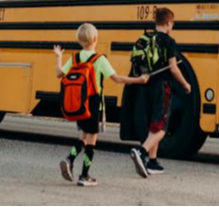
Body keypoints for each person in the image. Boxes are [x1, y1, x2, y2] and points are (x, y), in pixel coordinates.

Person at [54, 23, 149, 187]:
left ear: (79, 40)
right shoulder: (99, 59)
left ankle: (69, 159)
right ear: (96, 39)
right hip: (94, 104)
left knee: (84, 136)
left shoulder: (75, 58)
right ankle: (84, 175)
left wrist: (58, 56)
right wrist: (139, 80)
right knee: (91, 140)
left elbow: (58, 74)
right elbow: (117, 79)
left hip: (79, 103)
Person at [130, 8, 192, 178]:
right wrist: (186, 84)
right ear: (168, 23)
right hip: (161, 86)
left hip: (145, 86)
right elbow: (173, 68)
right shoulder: (168, 41)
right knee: (162, 127)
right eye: (172, 23)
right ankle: (141, 151)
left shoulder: (145, 39)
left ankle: (152, 162)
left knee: (153, 123)